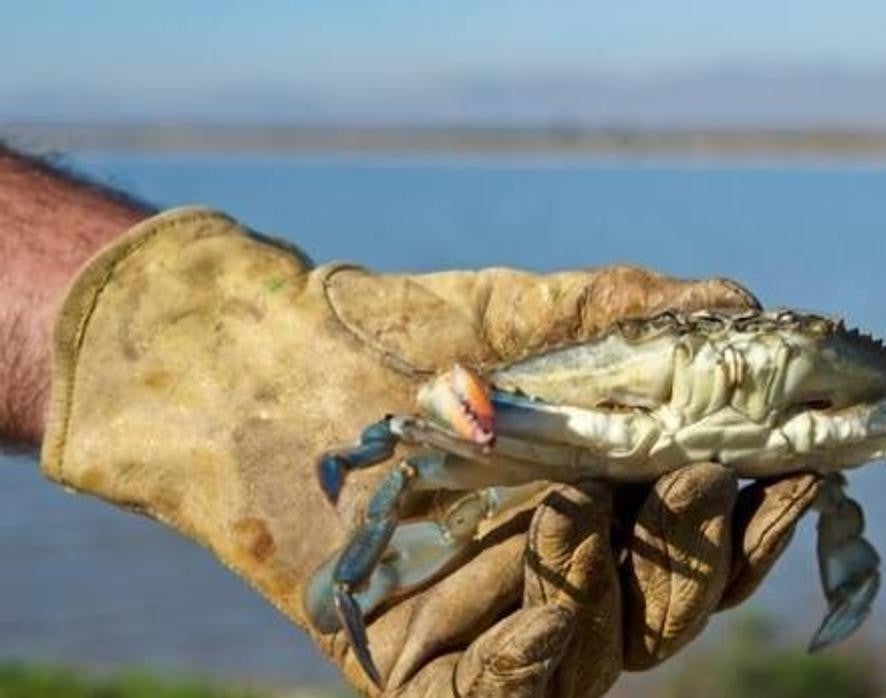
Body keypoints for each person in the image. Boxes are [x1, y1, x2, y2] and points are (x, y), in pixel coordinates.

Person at [0, 142, 819, 697]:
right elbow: (419, 434)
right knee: (416, 477)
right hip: (517, 452)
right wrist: (226, 371)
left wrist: (204, 346)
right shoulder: (479, 407)